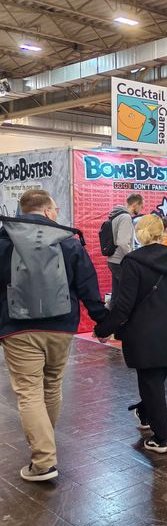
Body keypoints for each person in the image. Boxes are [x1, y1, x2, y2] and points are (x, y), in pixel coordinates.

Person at [0, 189, 108, 481]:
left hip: (18, 328)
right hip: (61, 327)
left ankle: (43, 460)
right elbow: (88, 286)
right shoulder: (68, 242)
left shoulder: (5, 240)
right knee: (51, 386)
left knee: (29, 392)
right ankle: (43, 446)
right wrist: (103, 321)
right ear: (47, 211)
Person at [93, 215, 167, 455]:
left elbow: (123, 305)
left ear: (139, 233)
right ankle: (145, 413)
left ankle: (162, 439)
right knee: (155, 382)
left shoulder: (133, 262)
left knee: (151, 383)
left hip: (145, 333)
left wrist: (103, 329)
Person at [106, 193, 143, 308]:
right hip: (120, 261)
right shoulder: (125, 217)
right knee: (126, 295)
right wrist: (132, 256)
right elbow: (122, 242)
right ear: (135, 204)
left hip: (114, 260)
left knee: (116, 295)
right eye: (141, 206)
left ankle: (112, 316)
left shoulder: (116, 215)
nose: (141, 209)